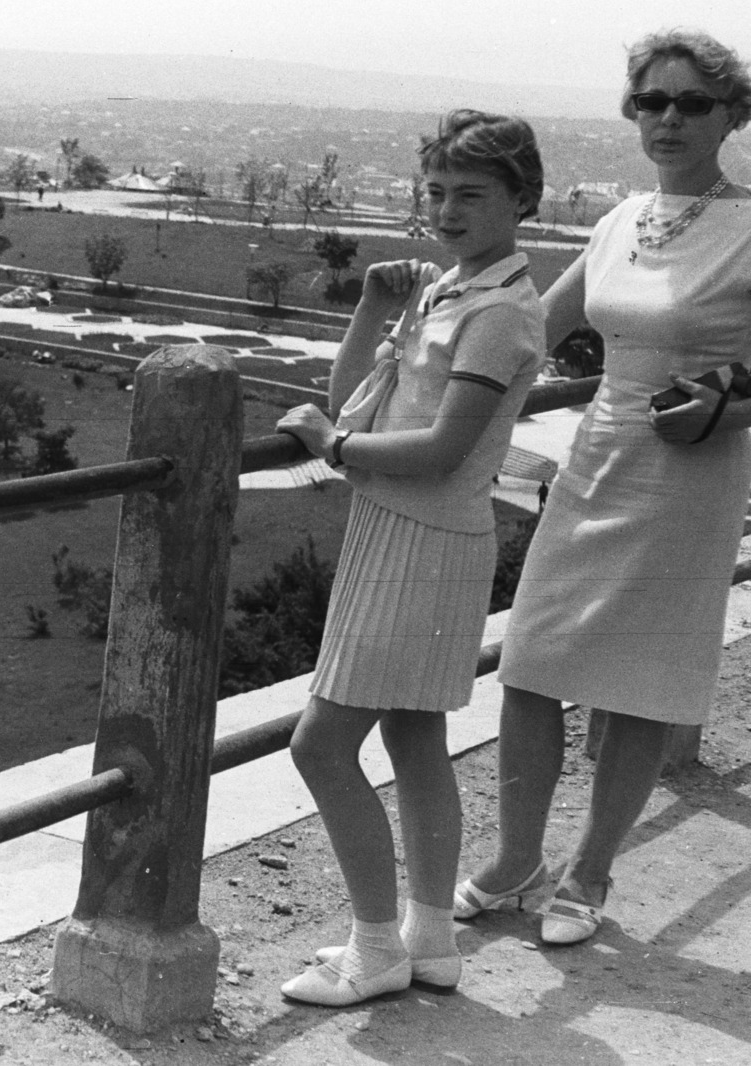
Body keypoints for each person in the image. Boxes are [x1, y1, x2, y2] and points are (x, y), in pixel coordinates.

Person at [459, 30, 751, 947]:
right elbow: (532, 330)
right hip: (596, 457)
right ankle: (516, 863)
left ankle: (589, 873)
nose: (668, 118)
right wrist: (425, 347)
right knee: (532, 662)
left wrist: (733, 402)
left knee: (638, 681)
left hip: (691, 471)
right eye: (651, 101)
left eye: (691, 103)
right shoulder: (620, 219)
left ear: (732, 114)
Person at [273, 110, 547, 1005]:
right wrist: (371, 308)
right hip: (408, 536)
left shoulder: (501, 313)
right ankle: (430, 939)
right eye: (436, 191)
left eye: (472, 194)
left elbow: (435, 450)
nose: (447, 209)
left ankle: (374, 947)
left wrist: (332, 447)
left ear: (523, 202)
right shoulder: (453, 291)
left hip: (422, 540)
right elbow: (348, 402)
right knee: (415, 735)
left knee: (319, 747)